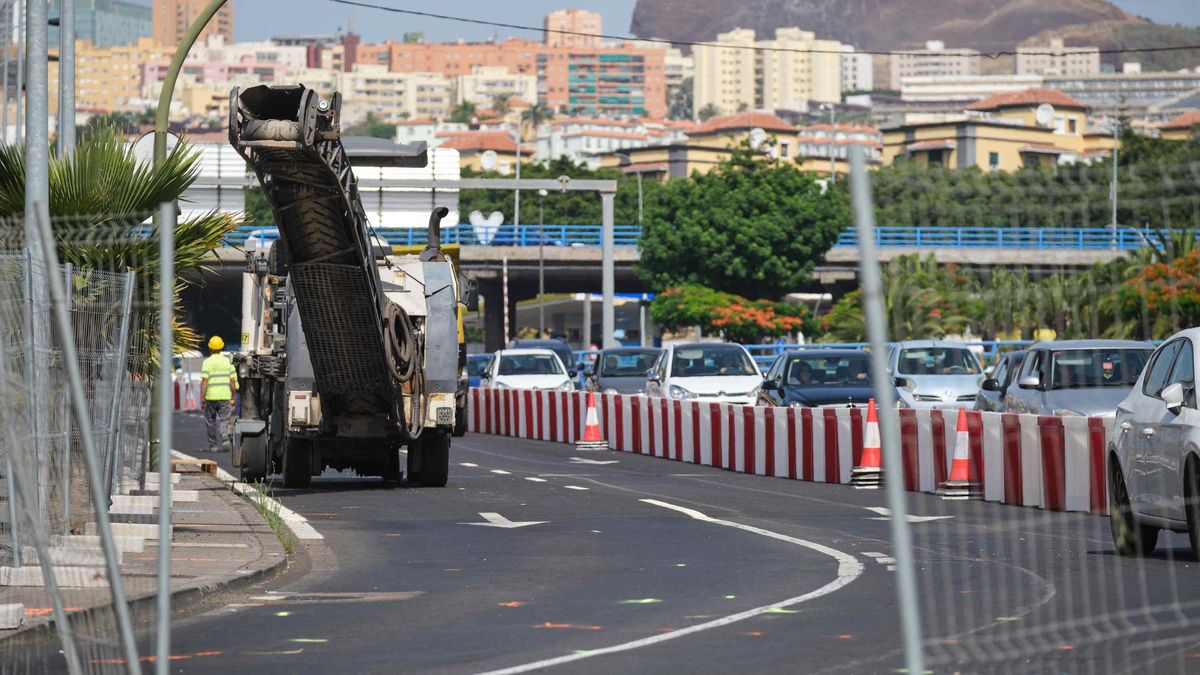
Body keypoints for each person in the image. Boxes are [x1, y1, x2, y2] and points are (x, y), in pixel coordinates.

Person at [200, 335, 238, 452]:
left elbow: (205, 382)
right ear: (221, 347)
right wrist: (233, 396)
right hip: (224, 395)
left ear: (210, 348)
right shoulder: (228, 362)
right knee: (224, 419)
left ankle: (213, 445)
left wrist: (202, 397)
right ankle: (224, 434)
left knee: (210, 421)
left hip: (210, 396)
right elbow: (232, 382)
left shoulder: (207, 363)